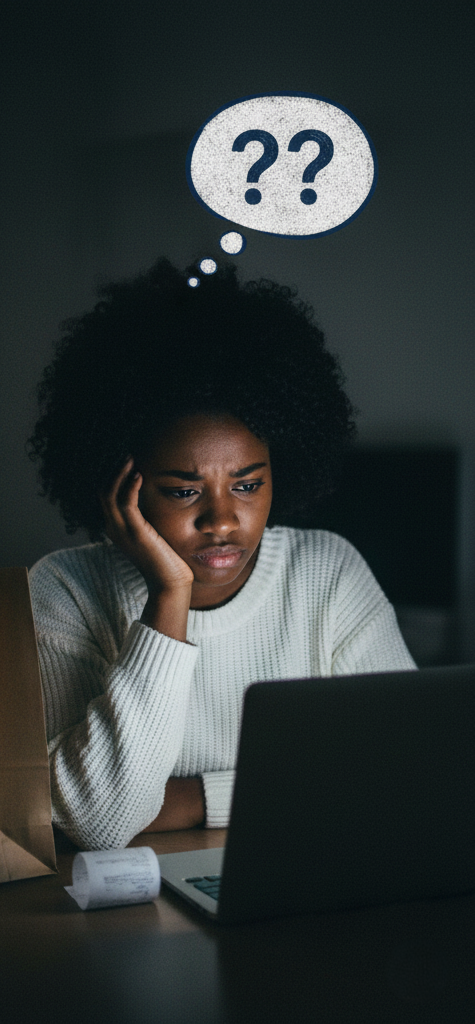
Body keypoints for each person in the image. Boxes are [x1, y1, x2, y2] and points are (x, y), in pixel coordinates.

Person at [26, 258, 416, 852]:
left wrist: (188, 799)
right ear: (119, 485)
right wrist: (169, 595)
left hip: (303, 878)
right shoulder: (65, 590)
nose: (223, 520)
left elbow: (404, 767)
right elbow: (98, 822)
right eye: (184, 491)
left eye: (248, 484)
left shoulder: (326, 572)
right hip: (134, 899)